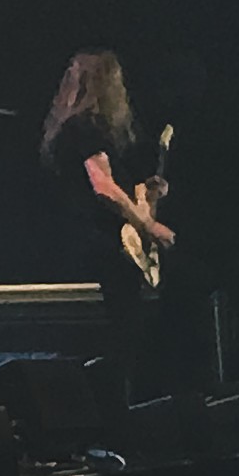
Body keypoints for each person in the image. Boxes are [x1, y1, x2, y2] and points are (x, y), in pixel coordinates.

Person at [40, 49, 174, 400]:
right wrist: (149, 227)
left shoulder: (79, 129)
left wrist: (147, 193)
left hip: (88, 242)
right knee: (124, 337)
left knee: (124, 335)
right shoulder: (85, 128)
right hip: (99, 244)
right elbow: (103, 188)